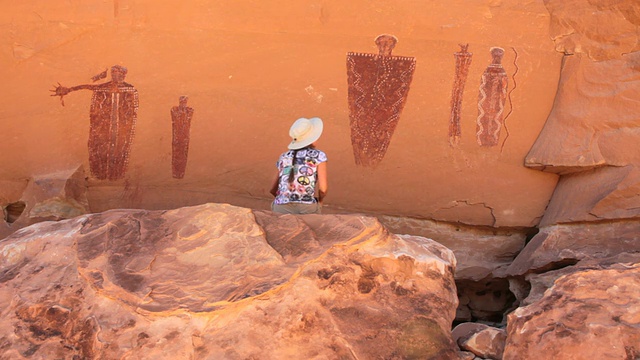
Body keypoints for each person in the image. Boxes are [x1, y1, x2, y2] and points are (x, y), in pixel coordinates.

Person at [270, 117, 328, 214]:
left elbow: (272, 189)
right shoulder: (319, 156)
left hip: (281, 207)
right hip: (306, 207)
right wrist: (320, 202)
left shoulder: (283, 157)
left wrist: (284, 199)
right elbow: (323, 189)